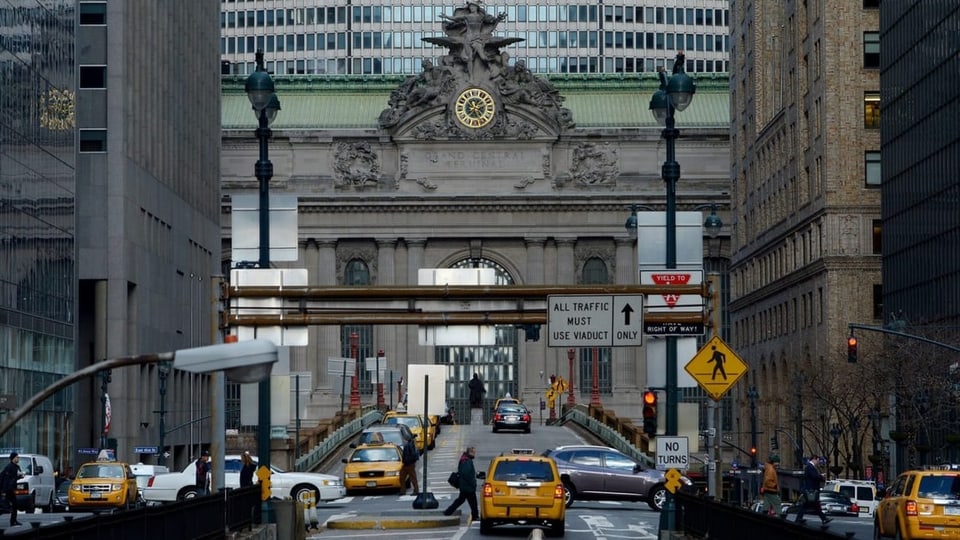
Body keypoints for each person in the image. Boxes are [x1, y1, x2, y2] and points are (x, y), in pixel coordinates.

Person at [443, 446, 479, 521]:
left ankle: (448, 511)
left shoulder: (465, 459)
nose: (475, 454)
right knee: (473, 502)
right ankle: (475, 516)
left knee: (461, 500)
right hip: (467, 486)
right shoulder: (467, 461)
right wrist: (473, 483)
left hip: (464, 486)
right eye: (473, 452)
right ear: (470, 452)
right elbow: (466, 474)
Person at [795, 455, 831, 525]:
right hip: (811, 490)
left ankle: (823, 519)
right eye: (818, 460)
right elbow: (814, 477)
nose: (818, 462)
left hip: (809, 489)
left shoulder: (809, 467)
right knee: (812, 504)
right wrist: (821, 476)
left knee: (808, 505)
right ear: (814, 459)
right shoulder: (810, 467)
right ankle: (823, 519)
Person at [1, 452, 23, 527]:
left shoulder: (14, 466)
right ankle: (13, 521)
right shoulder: (10, 467)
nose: (18, 458)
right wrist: (3, 491)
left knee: (13, 505)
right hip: (8, 490)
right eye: (17, 457)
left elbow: (13, 478)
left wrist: (20, 477)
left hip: (10, 489)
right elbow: (6, 479)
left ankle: (13, 521)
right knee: (8, 506)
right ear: (13, 458)